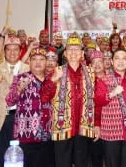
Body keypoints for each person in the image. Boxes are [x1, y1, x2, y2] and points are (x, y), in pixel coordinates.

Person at [41, 36, 96, 167]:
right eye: (70, 49)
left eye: (77, 49)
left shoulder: (91, 72)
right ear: (65, 53)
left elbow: (97, 100)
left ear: (82, 53)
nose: (73, 52)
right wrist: (53, 80)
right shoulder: (56, 71)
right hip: (62, 128)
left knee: (82, 163)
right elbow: (44, 97)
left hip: (84, 127)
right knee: (62, 163)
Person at [0, 37, 29, 167]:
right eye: (9, 50)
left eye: (15, 49)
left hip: (20, 118)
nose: (12, 53)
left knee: (20, 158)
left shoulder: (28, 69)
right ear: (4, 52)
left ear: (21, 51)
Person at [5, 47, 53, 167]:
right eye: (34, 59)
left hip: (48, 133)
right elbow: (9, 101)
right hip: (26, 133)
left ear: (46, 62)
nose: (38, 62)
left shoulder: (51, 79)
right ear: (29, 62)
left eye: (41, 59)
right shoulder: (21, 78)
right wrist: (19, 89)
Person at [95, 49, 126, 167]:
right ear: (112, 62)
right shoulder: (104, 80)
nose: (121, 61)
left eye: (124, 58)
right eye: (117, 58)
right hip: (111, 132)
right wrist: (112, 93)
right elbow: (98, 101)